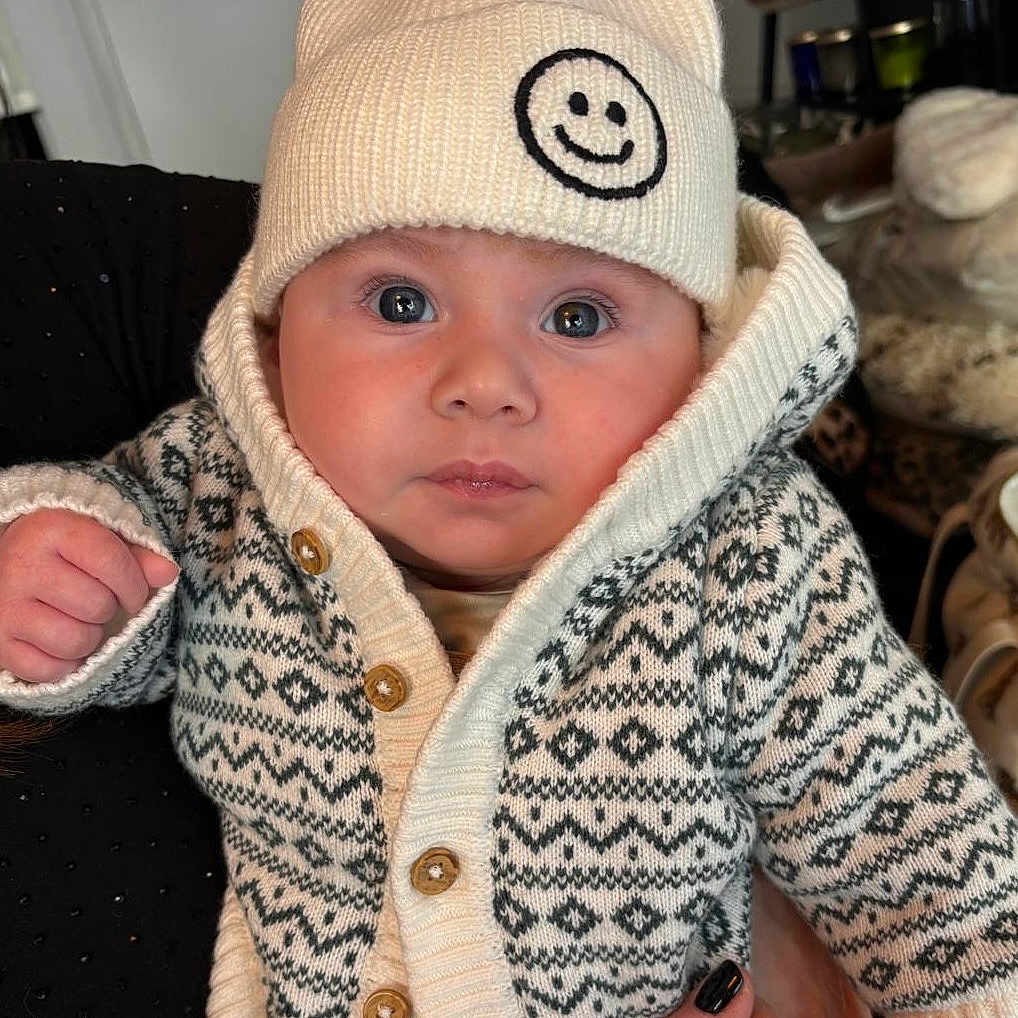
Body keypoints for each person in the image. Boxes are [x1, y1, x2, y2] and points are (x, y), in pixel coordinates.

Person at [0, 0, 1016, 1016]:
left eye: (578, 316)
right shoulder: (220, 480)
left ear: (704, 363)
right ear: (272, 330)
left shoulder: (750, 556)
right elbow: (128, 602)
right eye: (401, 302)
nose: (484, 382)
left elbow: (921, 857)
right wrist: (64, 584)